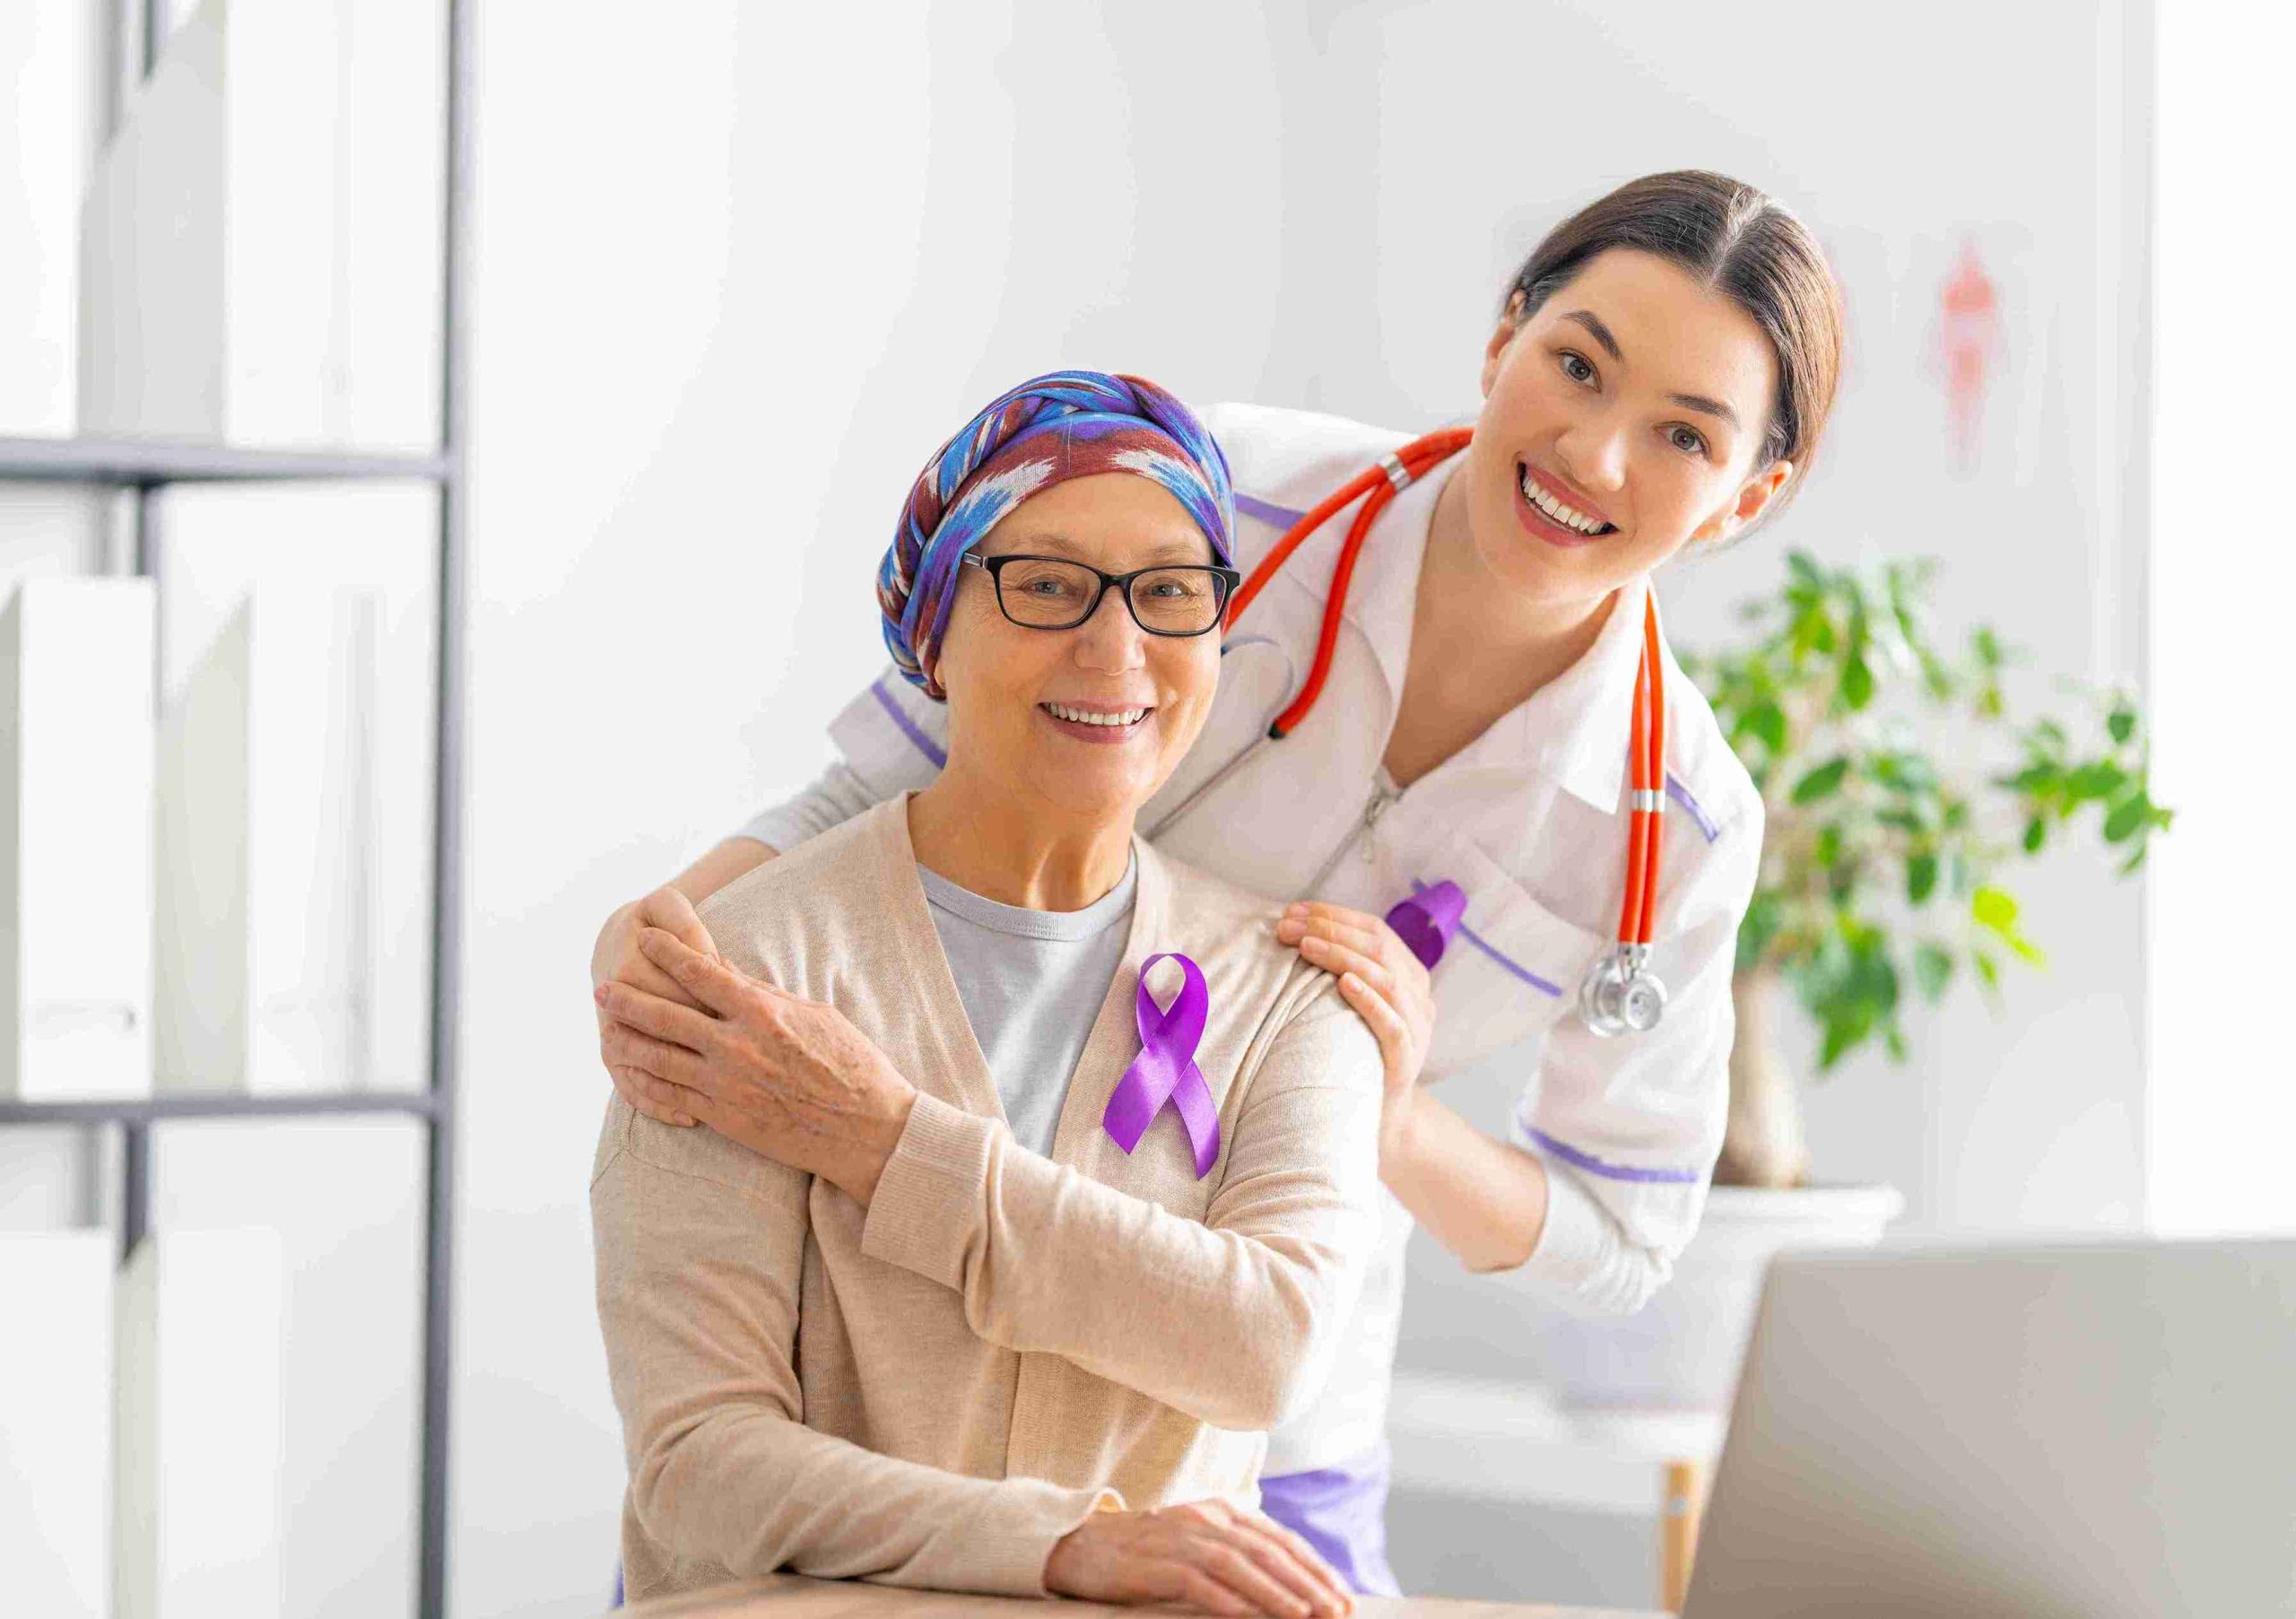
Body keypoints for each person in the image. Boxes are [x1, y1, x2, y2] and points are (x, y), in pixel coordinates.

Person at [593, 170, 1848, 1596]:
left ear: (1752, 494)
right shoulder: (1217, 501)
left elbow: (1619, 1236)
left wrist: (1382, 1115)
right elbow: (890, 773)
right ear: (1503, 339)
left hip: (1259, 1430)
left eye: (1684, 434)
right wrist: (668, 940)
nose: (1599, 456)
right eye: (1578, 364)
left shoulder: (1674, 823)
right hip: (905, 1369)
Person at [591, 372, 1384, 1612]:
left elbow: (1268, 1345)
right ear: (933, 636)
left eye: (1170, 591)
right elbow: (701, 1464)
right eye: (1047, 584)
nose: (1116, 647)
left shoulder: (1290, 997)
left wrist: (885, 1142)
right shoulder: (743, 988)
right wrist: (1067, 1544)